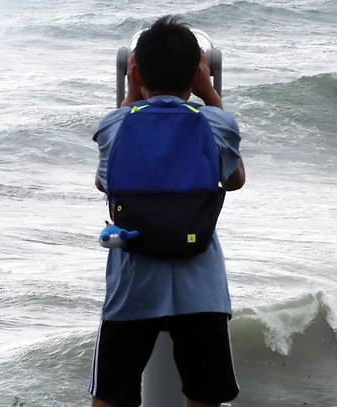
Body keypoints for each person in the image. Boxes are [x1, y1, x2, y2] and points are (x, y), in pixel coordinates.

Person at [89, 15, 244, 407]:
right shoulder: (216, 124)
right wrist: (209, 94)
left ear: (135, 70)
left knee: (111, 395)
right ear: (196, 73)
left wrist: (129, 94)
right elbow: (235, 178)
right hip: (200, 286)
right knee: (204, 395)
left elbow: (105, 183)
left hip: (133, 283)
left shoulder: (115, 125)